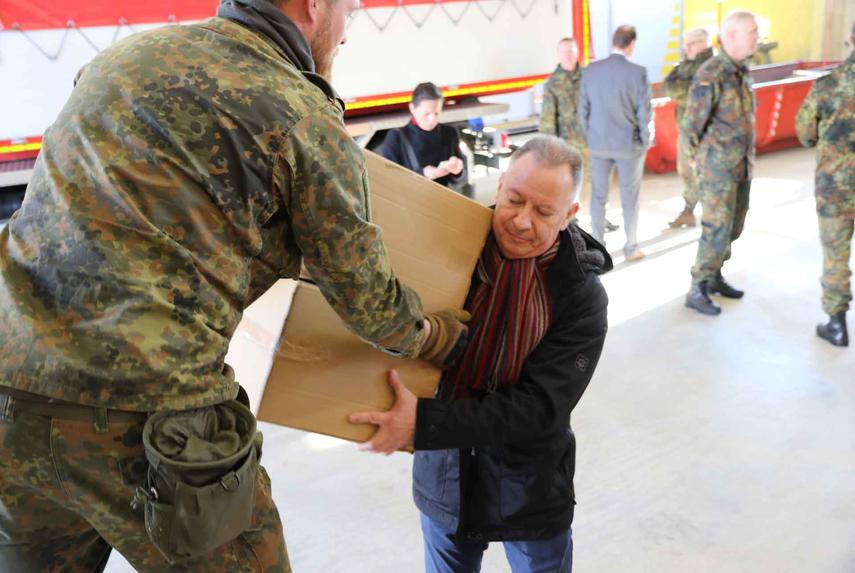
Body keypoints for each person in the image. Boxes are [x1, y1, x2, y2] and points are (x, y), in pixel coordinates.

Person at [0, 0, 468, 570]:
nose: (347, 29)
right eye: (350, 7)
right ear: (316, 6)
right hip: (149, 415)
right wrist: (441, 338)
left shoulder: (123, 58)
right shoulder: (299, 113)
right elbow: (366, 299)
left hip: (11, 396)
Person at [350, 135, 612, 573]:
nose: (521, 222)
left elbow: (538, 409)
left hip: (529, 489)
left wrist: (425, 422)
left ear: (569, 215)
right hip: (447, 480)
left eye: (544, 212)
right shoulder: (447, 247)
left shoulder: (579, 294)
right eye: (513, 200)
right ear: (501, 182)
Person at [682, 11, 759, 316]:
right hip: (716, 170)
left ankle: (714, 276)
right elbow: (690, 127)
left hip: (741, 166)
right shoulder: (711, 72)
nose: (757, 36)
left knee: (734, 227)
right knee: (716, 229)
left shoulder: (742, 71)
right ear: (732, 36)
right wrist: (699, 164)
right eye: (751, 31)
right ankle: (698, 287)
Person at [796, 21, 855, 347]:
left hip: (836, 190)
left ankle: (837, 324)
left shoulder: (828, 85)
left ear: (850, 39)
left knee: (836, 255)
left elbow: (805, 133)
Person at [579, 24, 652, 261]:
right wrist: (645, 141)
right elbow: (644, 113)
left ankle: (598, 248)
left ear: (614, 42)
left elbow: (583, 111)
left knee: (598, 197)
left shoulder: (591, 71)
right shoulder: (637, 72)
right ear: (631, 44)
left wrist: (590, 137)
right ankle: (631, 247)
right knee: (629, 196)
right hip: (628, 146)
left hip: (598, 144)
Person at [540, 37, 619, 233]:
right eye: (564, 51)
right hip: (568, 145)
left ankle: (600, 217)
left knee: (599, 180)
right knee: (570, 184)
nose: (568, 55)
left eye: (571, 51)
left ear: (577, 53)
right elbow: (548, 120)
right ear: (559, 54)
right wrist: (551, 148)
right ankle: (571, 220)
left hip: (594, 141)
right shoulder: (552, 84)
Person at [379, 82, 468, 194]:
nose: (432, 119)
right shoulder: (396, 137)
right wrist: (422, 174)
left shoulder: (449, 133)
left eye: (436, 113)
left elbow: (461, 181)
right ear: (412, 108)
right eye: (427, 114)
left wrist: (458, 171)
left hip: (444, 201)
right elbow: (389, 180)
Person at [665, 28, 715, 228]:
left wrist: (683, 88)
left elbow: (695, 95)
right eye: (686, 44)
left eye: (691, 43)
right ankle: (689, 210)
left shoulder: (712, 66)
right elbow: (669, 86)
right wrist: (683, 88)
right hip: (686, 130)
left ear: (704, 43)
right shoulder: (686, 65)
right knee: (687, 172)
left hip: (707, 132)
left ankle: (713, 217)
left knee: (709, 174)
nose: (686, 48)